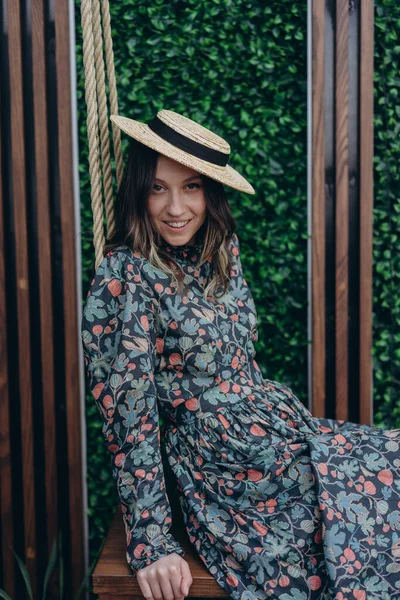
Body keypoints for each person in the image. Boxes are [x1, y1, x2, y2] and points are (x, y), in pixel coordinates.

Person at [81, 109, 400, 600]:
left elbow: (242, 364)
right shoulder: (126, 275)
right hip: (226, 473)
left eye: (191, 186)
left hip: (279, 435)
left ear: (211, 192)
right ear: (138, 190)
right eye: (158, 187)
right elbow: (130, 414)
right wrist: (151, 540)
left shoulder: (222, 250)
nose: (175, 208)